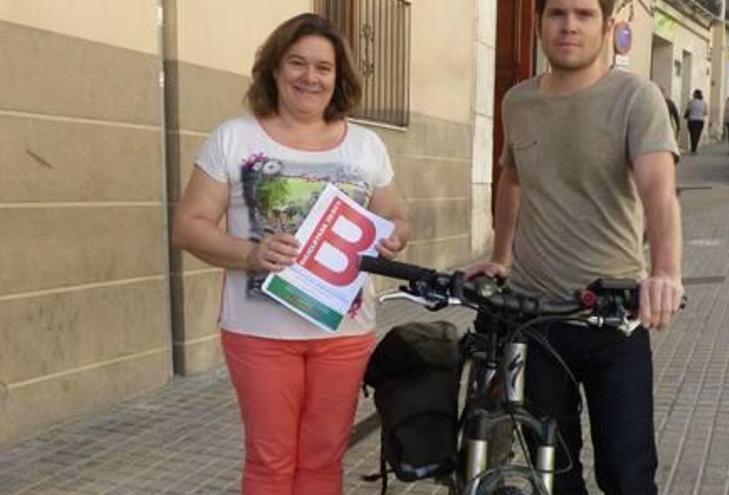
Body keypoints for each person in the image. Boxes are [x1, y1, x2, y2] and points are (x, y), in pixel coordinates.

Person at [171, 13, 409, 495]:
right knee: (270, 461)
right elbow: (188, 227)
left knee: (324, 461)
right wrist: (251, 253)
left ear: (338, 77)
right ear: (274, 70)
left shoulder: (366, 145)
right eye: (297, 63)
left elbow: (397, 217)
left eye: (323, 67)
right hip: (260, 333)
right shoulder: (234, 138)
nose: (310, 77)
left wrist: (396, 236)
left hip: (344, 331)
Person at [468, 0, 684, 493]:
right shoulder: (517, 101)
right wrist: (501, 257)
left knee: (628, 476)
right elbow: (512, 178)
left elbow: (657, 189)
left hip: (612, 316)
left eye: (584, 14)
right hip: (535, 318)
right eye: (557, 13)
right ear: (540, 24)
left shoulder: (636, 97)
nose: (569, 25)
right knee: (555, 477)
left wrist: (666, 271)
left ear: (608, 25)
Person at [684, 89, 708, 154]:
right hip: (700, 121)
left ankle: (693, 149)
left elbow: (687, 110)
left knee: (692, 135)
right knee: (697, 135)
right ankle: (695, 148)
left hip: (692, 120)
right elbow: (705, 113)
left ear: (695, 95)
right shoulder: (704, 103)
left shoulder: (691, 102)